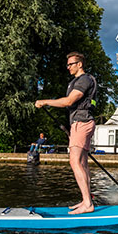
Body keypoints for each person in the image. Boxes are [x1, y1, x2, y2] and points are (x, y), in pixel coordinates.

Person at [35, 52, 97, 214]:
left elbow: (69, 101)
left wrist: (45, 101)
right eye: (67, 64)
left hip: (82, 123)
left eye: (71, 64)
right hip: (82, 123)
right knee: (82, 163)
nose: (68, 67)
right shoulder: (78, 81)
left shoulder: (84, 80)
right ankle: (86, 200)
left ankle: (87, 204)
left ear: (79, 64)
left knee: (74, 161)